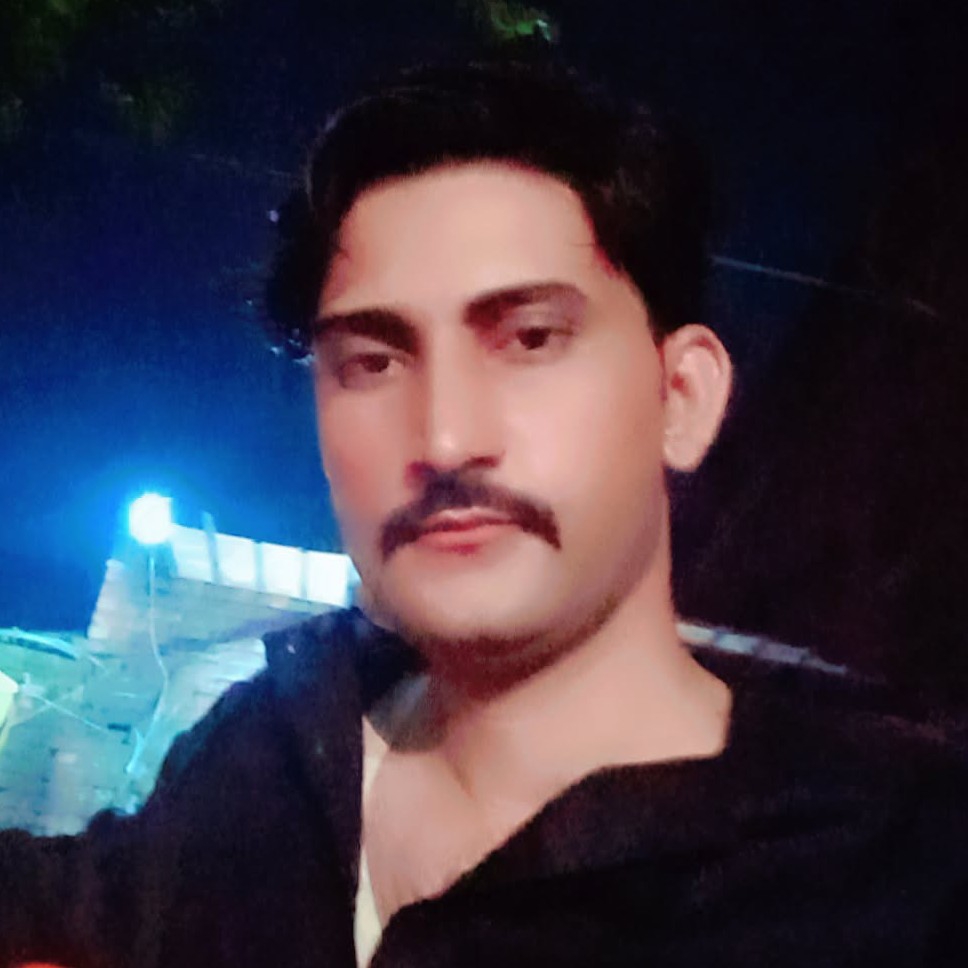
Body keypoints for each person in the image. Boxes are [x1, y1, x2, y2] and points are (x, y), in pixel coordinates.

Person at [2, 57, 968, 968]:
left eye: (531, 338)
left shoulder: (887, 879)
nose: (447, 437)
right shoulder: (269, 757)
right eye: (372, 362)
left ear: (682, 397)